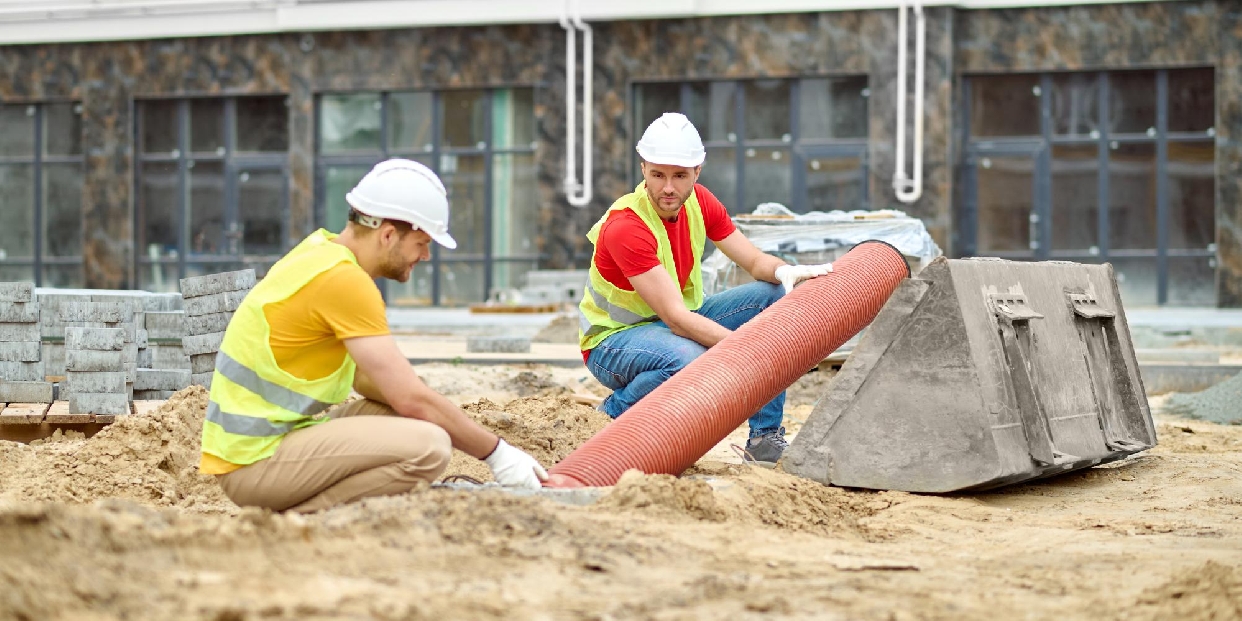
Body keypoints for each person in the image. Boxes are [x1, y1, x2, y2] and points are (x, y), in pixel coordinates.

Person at [200, 159, 548, 513]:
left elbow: (376, 384)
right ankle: (301, 517)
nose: (426, 256)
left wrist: (426, 403)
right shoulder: (344, 281)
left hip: (264, 446)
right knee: (429, 447)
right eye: (421, 243)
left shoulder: (319, 252)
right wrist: (499, 454)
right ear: (387, 235)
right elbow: (412, 398)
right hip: (254, 464)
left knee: (412, 417)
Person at [578, 112, 833, 464]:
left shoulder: (700, 202)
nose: (668, 187)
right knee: (690, 360)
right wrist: (751, 350)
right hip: (613, 342)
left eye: (680, 176)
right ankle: (612, 413)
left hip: (673, 323)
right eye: (658, 175)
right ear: (643, 170)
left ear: (697, 171)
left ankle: (764, 440)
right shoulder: (627, 226)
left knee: (773, 297)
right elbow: (677, 319)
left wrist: (785, 271)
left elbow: (756, 263)